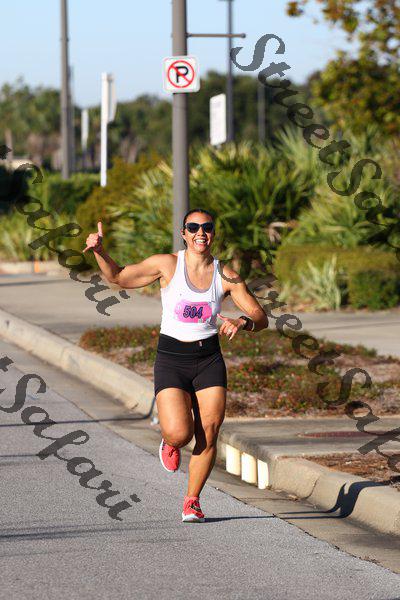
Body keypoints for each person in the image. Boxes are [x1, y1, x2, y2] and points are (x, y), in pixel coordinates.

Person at [84, 208, 268, 522]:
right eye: (193, 227)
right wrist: (101, 252)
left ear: (213, 233)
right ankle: (170, 441)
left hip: (208, 359)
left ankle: (192, 501)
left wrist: (243, 322)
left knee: (209, 432)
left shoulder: (226, 276)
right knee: (180, 433)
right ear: (184, 233)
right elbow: (118, 278)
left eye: (206, 227)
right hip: (171, 359)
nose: (200, 233)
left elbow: (260, 317)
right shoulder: (167, 264)